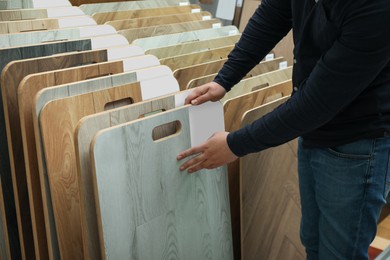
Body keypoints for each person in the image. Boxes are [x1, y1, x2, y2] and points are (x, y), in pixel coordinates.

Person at [176, 0, 390, 259]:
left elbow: (316, 103)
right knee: (313, 241)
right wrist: (224, 79)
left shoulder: (377, 8)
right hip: (316, 130)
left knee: (339, 253)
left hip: (358, 143)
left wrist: (235, 145)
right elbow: (273, 14)